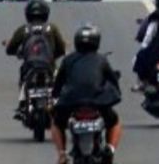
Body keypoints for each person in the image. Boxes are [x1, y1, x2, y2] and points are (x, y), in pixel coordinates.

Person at [51, 24, 123, 164]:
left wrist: (55, 99)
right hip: (97, 102)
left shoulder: (68, 60)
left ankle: (62, 153)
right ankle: (110, 148)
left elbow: (57, 86)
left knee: (57, 123)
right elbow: (113, 82)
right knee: (115, 122)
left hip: (72, 102)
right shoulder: (101, 60)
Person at [4, 0, 67, 119]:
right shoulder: (52, 28)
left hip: (30, 65)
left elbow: (10, 49)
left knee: (23, 78)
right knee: (59, 80)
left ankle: (22, 104)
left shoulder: (24, 29)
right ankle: (57, 101)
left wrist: (18, 53)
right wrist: (53, 56)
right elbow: (61, 48)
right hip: (49, 65)